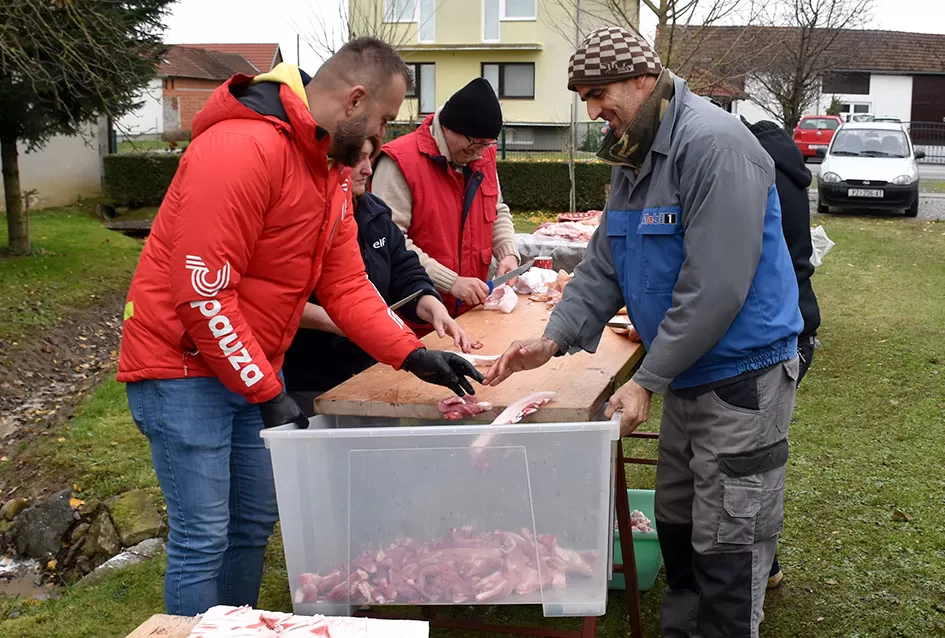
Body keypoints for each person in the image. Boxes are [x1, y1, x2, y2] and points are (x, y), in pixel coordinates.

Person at [117, 38, 482, 616]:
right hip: (183, 368)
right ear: (355, 99)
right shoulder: (241, 148)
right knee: (203, 535)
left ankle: (232, 629)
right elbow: (202, 291)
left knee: (254, 522)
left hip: (248, 367)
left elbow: (347, 287)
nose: (381, 141)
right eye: (384, 120)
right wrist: (266, 389)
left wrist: (412, 355)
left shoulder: (328, 173)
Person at [484, 26, 803, 637]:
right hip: (686, 375)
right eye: (584, 97)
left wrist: (647, 379)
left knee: (727, 545)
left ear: (642, 79)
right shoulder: (634, 152)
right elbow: (607, 262)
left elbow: (715, 289)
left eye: (599, 93)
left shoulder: (714, 147)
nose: (593, 110)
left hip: (741, 379)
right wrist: (552, 337)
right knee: (680, 530)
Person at [283, 136, 471, 415]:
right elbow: (280, 299)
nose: (368, 169)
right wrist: (342, 321)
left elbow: (405, 272)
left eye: (370, 158)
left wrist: (432, 306)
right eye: (358, 159)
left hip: (368, 372)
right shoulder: (302, 218)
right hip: (309, 378)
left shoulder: (376, 214)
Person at [742, 117, 823, 589]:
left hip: (778, 334)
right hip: (797, 324)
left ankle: (759, 574)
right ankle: (761, 568)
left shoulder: (757, 172)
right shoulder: (786, 169)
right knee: (760, 454)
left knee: (756, 460)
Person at [372, 77, 521, 314]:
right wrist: (450, 282)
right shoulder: (400, 162)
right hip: (417, 316)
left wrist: (508, 251)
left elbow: (496, 209)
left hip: (470, 313)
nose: (479, 153)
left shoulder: (482, 155)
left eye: (487, 144)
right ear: (448, 128)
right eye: (474, 144)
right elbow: (389, 241)